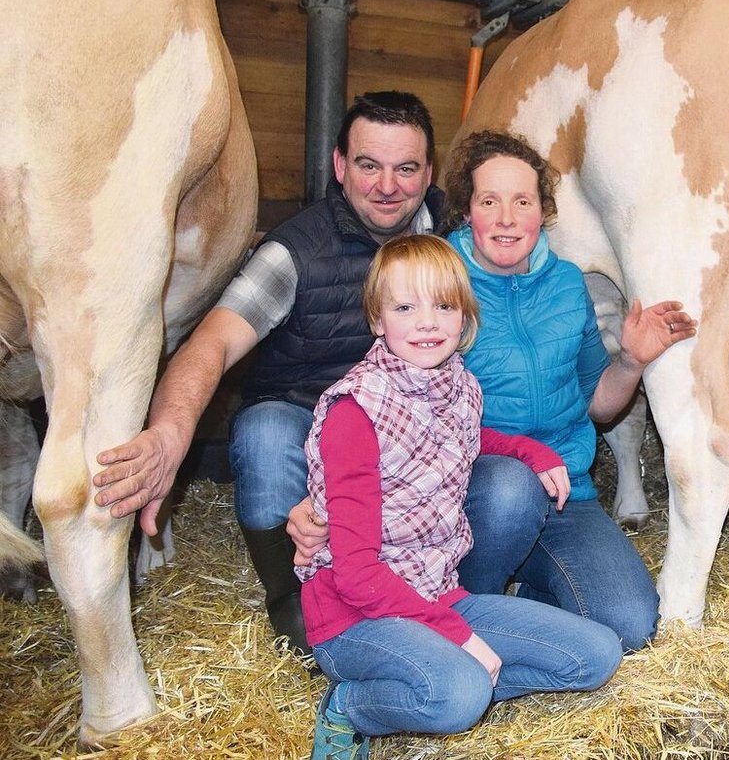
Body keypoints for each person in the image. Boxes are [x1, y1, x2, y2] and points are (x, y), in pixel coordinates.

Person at [292, 130, 696, 652]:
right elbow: (378, 394)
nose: (506, 217)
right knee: (510, 486)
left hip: (566, 490)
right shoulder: (439, 284)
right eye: (490, 201)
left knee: (630, 624)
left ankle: (523, 595)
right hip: (466, 496)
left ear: (542, 212)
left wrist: (631, 360)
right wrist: (322, 496)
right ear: (467, 211)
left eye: (522, 201)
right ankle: (462, 609)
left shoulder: (568, 285)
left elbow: (598, 402)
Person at [93, 91, 450, 655]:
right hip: (307, 412)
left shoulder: (448, 234)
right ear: (339, 166)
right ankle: (298, 605)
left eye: (406, 168)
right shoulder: (294, 252)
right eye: (368, 165)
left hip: (406, 422)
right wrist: (170, 433)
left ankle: (429, 589)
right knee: (262, 434)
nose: (388, 186)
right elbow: (211, 342)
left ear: (429, 174)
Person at [300, 234, 620, 760]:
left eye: (443, 305)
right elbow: (356, 574)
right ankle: (352, 705)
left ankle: (439, 678)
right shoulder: (355, 413)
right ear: (378, 320)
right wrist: (459, 636)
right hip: (354, 618)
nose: (427, 322)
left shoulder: (458, 385)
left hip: (435, 592)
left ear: (464, 317)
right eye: (405, 307)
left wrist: (529, 451)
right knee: (459, 695)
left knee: (595, 655)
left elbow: (471, 438)